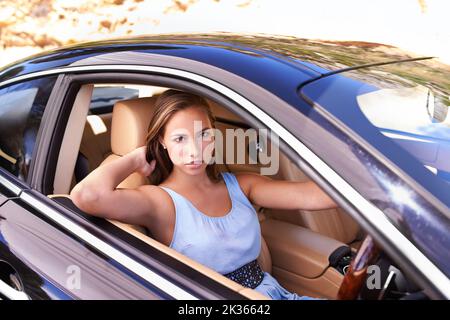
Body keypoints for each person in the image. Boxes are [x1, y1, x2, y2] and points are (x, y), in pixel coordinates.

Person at [70, 89, 337, 299]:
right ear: (161, 141)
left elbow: (316, 196)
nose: (195, 151)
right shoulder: (159, 202)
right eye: (179, 139)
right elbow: (87, 196)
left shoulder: (242, 185)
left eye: (204, 134)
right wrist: (135, 158)